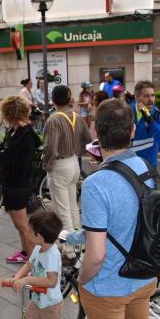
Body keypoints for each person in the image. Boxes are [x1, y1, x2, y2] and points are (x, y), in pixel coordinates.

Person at [79, 98, 157, 319]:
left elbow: (96, 255)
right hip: (143, 275)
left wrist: (83, 281)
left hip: (108, 286)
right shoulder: (145, 166)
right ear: (133, 130)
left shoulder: (96, 184)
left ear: (96, 130)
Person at [2, 210, 64, 319]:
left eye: (30, 231)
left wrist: (28, 280)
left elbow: (51, 281)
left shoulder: (51, 255)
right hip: (36, 299)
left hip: (50, 303)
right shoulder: (38, 248)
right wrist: (17, 277)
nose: (27, 233)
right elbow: (29, 265)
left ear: (40, 236)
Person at [0, 96, 40, 264]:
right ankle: (25, 253)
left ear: (9, 113)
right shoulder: (14, 131)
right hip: (13, 184)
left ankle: (32, 262)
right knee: (19, 225)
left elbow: (19, 161)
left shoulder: (25, 134)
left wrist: (2, 158)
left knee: (22, 225)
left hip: (17, 185)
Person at [43, 85, 92, 232]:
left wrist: (46, 164)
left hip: (60, 166)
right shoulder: (77, 116)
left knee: (61, 210)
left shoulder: (53, 121)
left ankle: (69, 250)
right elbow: (89, 141)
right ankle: (77, 244)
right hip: (74, 163)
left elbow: (51, 148)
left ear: (53, 100)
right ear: (69, 99)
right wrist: (78, 152)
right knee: (73, 207)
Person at [130, 81, 160, 167]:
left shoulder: (159, 115)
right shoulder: (127, 113)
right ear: (137, 97)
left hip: (148, 169)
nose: (151, 99)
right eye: (146, 96)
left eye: (152, 95)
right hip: (128, 168)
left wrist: (150, 121)